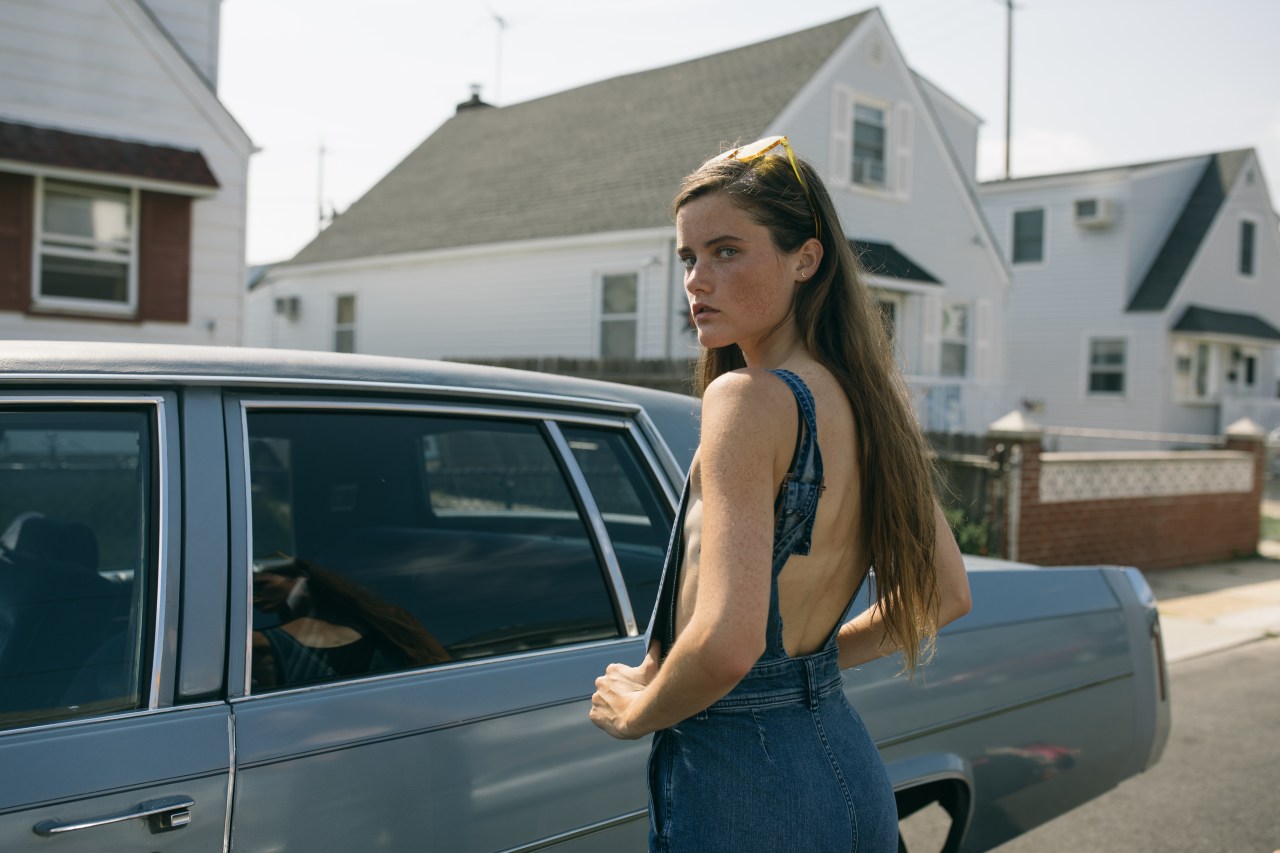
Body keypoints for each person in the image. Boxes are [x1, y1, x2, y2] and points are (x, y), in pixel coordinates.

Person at [588, 136, 972, 851]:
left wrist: (638, 710)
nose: (698, 280)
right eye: (687, 257)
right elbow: (945, 593)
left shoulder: (746, 399)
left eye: (727, 250)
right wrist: (804, 670)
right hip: (848, 772)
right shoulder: (870, 405)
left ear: (806, 258)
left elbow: (729, 645)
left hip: (746, 788)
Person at [251, 557, 450, 689]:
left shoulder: (390, 620)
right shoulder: (388, 619)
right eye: (251, 590)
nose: (254, 598)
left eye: (261, 585)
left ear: (301, 577)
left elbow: (444, 671)